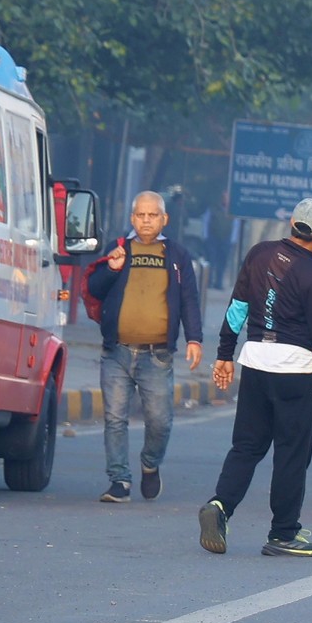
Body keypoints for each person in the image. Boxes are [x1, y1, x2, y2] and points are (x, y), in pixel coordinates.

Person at [201, 198, 312, 557]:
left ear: (292, 224)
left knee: (246, 446)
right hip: (295, 371)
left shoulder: (259, 253)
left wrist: (224, 355)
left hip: (255, 362)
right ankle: (283, 533)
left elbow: (238, 307)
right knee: (291, 454)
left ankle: (220, 505)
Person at [84, 189, 204, 502]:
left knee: (160, 422)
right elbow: (94, 288)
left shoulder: (177, 255)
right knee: (115, 419)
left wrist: (194, 339)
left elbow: (189, 299)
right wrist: (112, 268)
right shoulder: (118, 248)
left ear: (165, 219)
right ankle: (119, 481)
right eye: (141, 215)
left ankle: (150, 464)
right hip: (117, 352)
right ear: (132, 218)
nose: (146, 221)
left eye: (153, 215)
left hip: (157, 356)